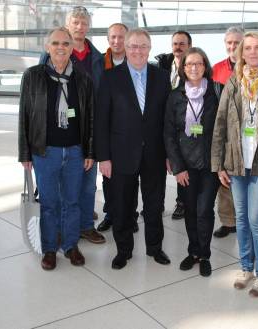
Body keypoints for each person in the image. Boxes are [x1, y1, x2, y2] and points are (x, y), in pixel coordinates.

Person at [211, 31, 258, 297]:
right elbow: (220, 123)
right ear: (241, 54)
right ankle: (246, 267)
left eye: (257, 48)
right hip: (236, 161)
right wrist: (218, 163)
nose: (252, 53)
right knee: (241, 218)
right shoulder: (234, 81)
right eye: (247, 49)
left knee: (256, 219)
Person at [95, 28, 171, 270]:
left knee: (154, 204)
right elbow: (101, 121)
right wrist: (103, 157)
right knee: (122, 205)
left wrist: (170, 155)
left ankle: (155, 248)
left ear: (149, 49)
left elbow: (167, 121)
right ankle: (123, 250)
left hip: (154, 155)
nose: (138, 50)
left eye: (142, 46)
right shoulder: (110, 78)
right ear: (125, 49)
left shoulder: (161, 76)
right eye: (133, 46)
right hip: (120, 156)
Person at [18, 27, 94, 270]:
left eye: (65, 43)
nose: (61, 47)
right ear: (47, 47)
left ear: (72, 48)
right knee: (49, 203)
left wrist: (90, 151)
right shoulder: (32, 76)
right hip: (45, 151)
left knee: (72, 201)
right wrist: (25, 153)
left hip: (74, 151)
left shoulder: (82, 79)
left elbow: (90, 118)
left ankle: (70, 245)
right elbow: (24, 117)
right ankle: (50, 248)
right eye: (56, 43)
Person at [40, 6, 105, 244]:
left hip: (87, 130)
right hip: (57, 132)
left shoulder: (97, 57)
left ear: (88, 26)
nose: (79, 27)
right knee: (58, 186)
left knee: (88, 183)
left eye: (83, 23)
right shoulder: (50, 54)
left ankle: (86, 225)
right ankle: (57, 228)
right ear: (68, 25)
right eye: (75, 22)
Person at [164, 47, 219, 277]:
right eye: (189, 64)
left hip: (209, 165)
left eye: (198, 63)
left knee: (204, 210)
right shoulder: (176, 96)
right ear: (183, 68)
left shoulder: (216, 93)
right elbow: (168, 133)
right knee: (190, 211)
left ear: (205, 66)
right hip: (185, 166)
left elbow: (223, 130)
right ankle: (193, 252)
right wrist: (178, 167)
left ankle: (204, 254)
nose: (194, 68)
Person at [97, 23, 140, 234]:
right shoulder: (99, 63)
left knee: (131, 180)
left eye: (121, 37)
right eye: (113, 37)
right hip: (110, 131)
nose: (117, 41)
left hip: (132, 136)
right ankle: (111, 214)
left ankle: (130, 215)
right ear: (108, 39)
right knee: (109, 178)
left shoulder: (137, 63)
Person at [156, 30, 193, 220]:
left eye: (182, 44)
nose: (178, 47)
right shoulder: (163, 64)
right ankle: (157, 204)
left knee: (181, 162)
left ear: (189, 46)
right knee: (158, 165)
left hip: (183, 123)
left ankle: (182, 203)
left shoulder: (193, 67)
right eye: (175, 44)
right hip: (162, 121)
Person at [211, 26, 243, 238]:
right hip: (223, 131)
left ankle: (245, 221)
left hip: (246, 134)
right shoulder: (217, 68)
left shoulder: (253, 67)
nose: (232, 47)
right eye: (229, 43)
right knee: (224, 181)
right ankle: (228, 221)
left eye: (236, 42)